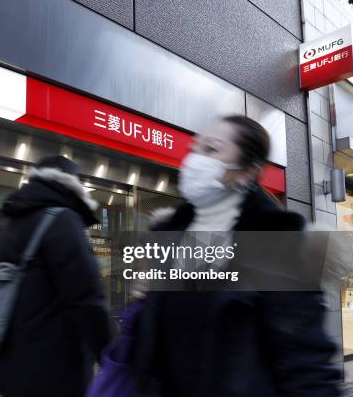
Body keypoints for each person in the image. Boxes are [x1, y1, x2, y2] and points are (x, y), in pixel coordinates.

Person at [134, 115, 341, 396]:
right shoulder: (171, 237)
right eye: (195, 149)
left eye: (212, 149)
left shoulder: (278, 244)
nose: (195, 159)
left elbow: (305, 365)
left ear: (246, 172)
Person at [0, 155, 111, 397]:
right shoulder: (63, 220)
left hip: (12, 365)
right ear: (72, 186)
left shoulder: (13, 224)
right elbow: (87, 297)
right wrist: (110, 355)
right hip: (55, 371)